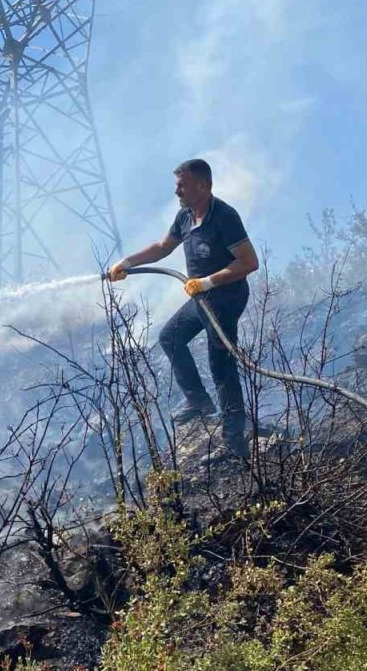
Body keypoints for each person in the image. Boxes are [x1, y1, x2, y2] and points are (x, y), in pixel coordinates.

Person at [107, 158, 260, 457]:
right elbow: (163, 247)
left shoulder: (224, 217)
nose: (177, 192)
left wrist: (207, 282)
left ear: (202, 186)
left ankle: (235, 441)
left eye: (182, 186)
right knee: (171, 337)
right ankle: (199, 401)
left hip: (226, 297)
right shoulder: (185, 216)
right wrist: (127, 263)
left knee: (221, 364)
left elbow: (249, 262)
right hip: (202, 298)